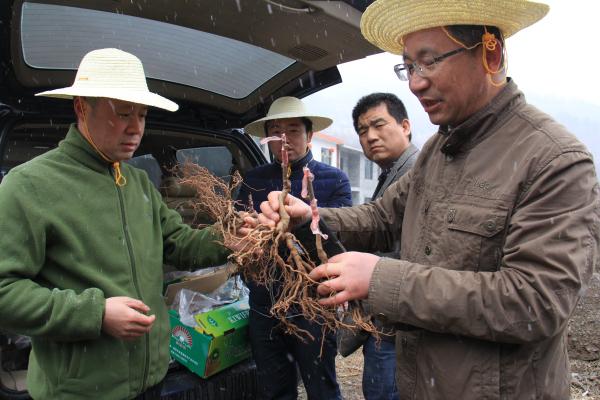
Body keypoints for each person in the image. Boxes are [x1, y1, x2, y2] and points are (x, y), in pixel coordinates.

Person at [255, 1, 600, 399]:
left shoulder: (554, 160)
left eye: (429, 61)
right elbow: (381, 217)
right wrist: (307, 217)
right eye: (408, 67)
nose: (416, 83)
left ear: (491, 52)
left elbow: (534, 303)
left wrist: (381, 279)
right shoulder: (436, 151)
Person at [0, 48, 235, 400]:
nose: (136, 127)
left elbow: (181, 245)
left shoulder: (138, 183)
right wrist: (95, 314)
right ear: (81, 107)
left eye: (141, 114)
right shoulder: (29, 186)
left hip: (152, 380)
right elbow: (5, 290)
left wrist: (234, 237)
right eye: (123, 113)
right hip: (78, 391)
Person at [237, 96, 351, 400]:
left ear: (310, 136)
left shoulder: (333, 180)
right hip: (265, 304)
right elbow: (238, 234)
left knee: (322, 389)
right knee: (274, 390)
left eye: (293, 131)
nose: (284, 139)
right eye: (276, 131)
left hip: (313, 306)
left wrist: (303, 223)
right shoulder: (252, 180)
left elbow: (339, 244)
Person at [340, 92, 419, 400]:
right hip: (386, 319)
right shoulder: (391, 174)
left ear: (405, 126)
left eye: (378, 124)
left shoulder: (416, 172)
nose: (370, 136)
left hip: (396, 323)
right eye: (362, 130)